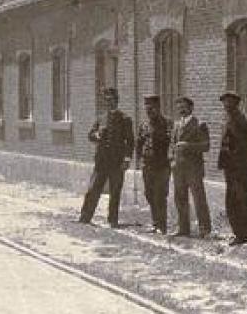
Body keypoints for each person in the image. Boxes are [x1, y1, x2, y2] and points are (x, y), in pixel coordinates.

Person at [77, 87, 134, 227]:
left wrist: (127, 159)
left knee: (115, 191)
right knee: (93, 189)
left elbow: (130, 141)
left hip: (117, 161)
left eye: (112, 100)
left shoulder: (125, 119)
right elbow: (90, 135)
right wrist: (96, 135)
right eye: (106, 101)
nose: (109, 103)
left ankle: (112, 220)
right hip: (101, 161)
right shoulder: (101, 118)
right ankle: (85, 217)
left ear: (117, 101)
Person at [217, 90, 247, 245]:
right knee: (232, 201)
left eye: (229, 102)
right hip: (230, 168)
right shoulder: (227, 119)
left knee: (244, 200)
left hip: (241, 168)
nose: (226, 105)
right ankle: (239, 234)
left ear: (236, 104)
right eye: (224, 102)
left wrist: (241, 157)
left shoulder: (243, 121)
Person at [170, 95, 213, 238]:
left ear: (191, 108)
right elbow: (172, 144)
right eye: (179, 107)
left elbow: (206, 146)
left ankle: (204, 229)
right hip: (178, 168)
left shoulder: (200, 124)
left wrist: (188, 146)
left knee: (198, 198)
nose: (181, 110)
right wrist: (172, 159)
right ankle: (183, 228)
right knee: (180, 197)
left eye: (184, 107)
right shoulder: (176, 124)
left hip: (193, 168)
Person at [136, 94, 172, 234]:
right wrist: (139, 159)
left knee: (160, 194)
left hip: (162, 165)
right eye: (147, 109)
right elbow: (139, 143)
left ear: (158, 108)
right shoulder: (144, 125)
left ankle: (161, 226)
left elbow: (171, 143)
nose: (149, 112)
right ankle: (155, 221)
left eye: (152, 109)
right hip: (147, 165)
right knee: (149, 194)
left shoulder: (167, 123)